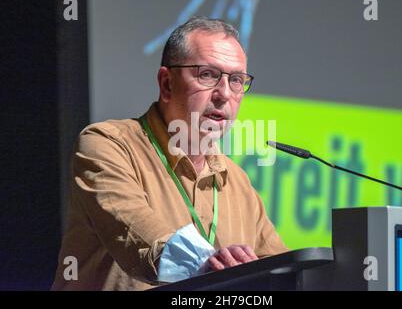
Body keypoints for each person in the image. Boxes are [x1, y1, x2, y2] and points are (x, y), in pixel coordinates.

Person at [52, 16, 288, 291]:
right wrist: (210, 266)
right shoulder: (107, 145)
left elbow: (283, 269)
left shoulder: (237, 182)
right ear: (166, 83)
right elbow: (137, 236)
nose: (224, 93)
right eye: (208, 74)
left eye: (236, 80)